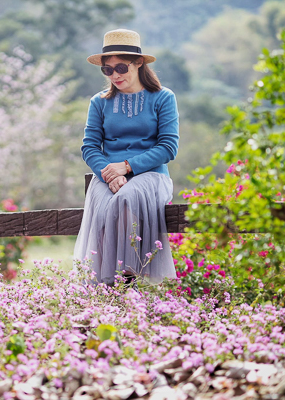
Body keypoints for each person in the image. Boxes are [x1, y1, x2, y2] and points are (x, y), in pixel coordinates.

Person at [73, 28, 178, 286]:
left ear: (139, 62)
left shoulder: (163, 98)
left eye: (120, 67)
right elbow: (89, 147)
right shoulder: (99, 102)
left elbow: (168, 148)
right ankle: (104, 292)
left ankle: (126, 283)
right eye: (107, 70)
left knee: (126, 199)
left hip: (150, 176)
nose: (114, 75)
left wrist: (127, 167)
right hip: (107, 176)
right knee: (107, 204)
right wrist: (109, 174)